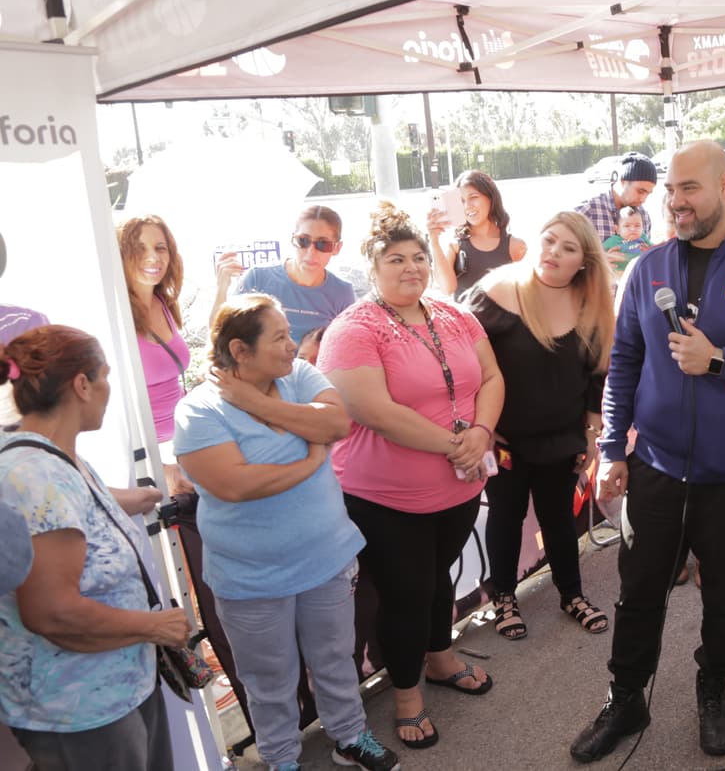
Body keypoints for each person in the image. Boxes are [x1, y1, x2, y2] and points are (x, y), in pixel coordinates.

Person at [570, 141, 725, 763]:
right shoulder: (648, 268)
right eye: (670, 190)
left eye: (690, 188)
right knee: (637, 592)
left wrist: (721, 362)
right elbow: (625, 361)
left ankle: (714, 687)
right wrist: (612, 448)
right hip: (655, 467)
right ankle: (625, 697)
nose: (676, 201)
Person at [173, 295, 398, 771]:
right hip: (251, 577)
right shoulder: (199, 411)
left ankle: (349, 736)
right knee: (269, 679)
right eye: (278, 337)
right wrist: (310, 459)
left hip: (326, 558)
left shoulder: (298, 376)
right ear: (240, 349)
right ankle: (281, 759)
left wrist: (253, 402)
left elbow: (337, 422)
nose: (292, 345)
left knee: (336, 657)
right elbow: (234, 485)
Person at [318, 202, 504, 750]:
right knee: (405, 592)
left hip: (460, 483)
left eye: (418, 257)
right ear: (372, 269)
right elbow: (374, 410)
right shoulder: (353, 328)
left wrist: (483, 434)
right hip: (385, 496)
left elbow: (491, 376)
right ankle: (406, 697)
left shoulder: (454, 315)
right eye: (395, 259)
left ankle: (441, 658)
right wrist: (458, 444)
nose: (411, 268)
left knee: (436, 576)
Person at [0, 325, 191, 770]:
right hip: (79, 709)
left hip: (113, 690)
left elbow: (68, 508)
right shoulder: (34, 475)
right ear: (82, 385)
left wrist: (134, 498)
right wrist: (153, 627)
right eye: (103, 377)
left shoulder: (46, 455)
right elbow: (52, 612)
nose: (108, 390)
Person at [459, 211, 614, 641]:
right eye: (549, 241)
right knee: (505, 518)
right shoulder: (497, 290)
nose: (553, 253)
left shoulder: (590, 303)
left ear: (583, 262)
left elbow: (596, 373)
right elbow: (460, 356)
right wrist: (479, 425)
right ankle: (504, 598)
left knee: (559, 519)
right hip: (505, 439)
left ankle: (572, 594)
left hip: (562, 438)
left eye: (568, 248)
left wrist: (590, 432)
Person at [116, 215, 186, 511]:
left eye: (161, 248)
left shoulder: (164, 302)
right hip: (147, 457)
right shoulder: (117, 315)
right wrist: (164, 463)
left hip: (184, 443)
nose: (152, 257)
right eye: (139, 248)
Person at [212, 204, 356, 345]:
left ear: (337, 248)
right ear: (293, 240)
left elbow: (347, 349)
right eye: (303, 241)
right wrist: (221, 288)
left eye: (322, 244)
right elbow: (220, 335)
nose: (311, 252)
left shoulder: (342, 292)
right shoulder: (258, 278)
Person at [427, 170, 527, 299]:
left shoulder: (515, 246)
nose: (467, 206)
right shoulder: (455, 246)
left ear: (490, 197)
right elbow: (447, 288)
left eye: (473, 197)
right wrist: (434, 240)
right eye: (461, 201)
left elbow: (527, 297)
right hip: (466, 319)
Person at [576, 152, 658, 267]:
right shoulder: (587, 211)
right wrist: (594, 261)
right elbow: (561, 257)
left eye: (648, 193)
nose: (643, 199)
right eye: (640, 191)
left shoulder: (643, 215)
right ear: (622, 182)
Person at [601, 206, 652, 275]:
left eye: (637, 226)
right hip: (620, 273)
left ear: (642, 227)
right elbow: (599, 251)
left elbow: (654, 248)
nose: (633, 229)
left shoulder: (643, 238)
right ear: (617, 229)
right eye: (627, 226)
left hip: (640, 271)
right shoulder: (614, 240)